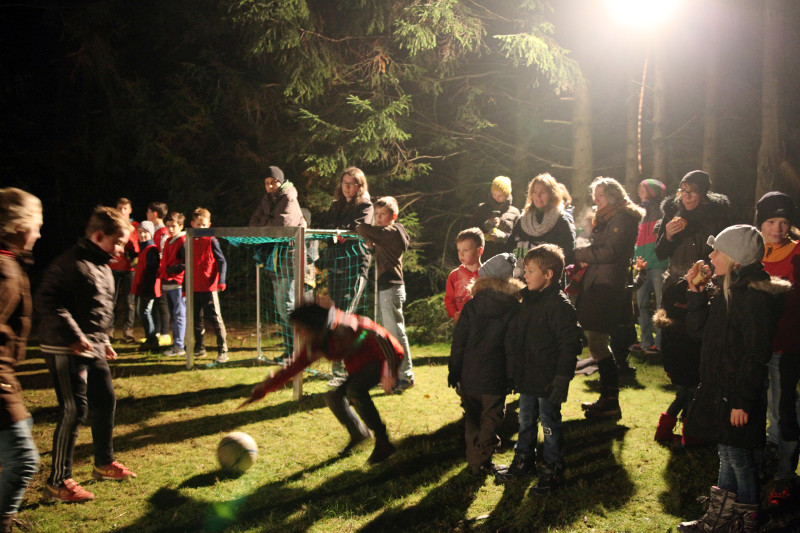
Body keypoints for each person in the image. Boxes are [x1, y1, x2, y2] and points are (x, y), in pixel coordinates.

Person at [678, 225, 789, 532]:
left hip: (737, 391)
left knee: (739, 456)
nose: (711, 256)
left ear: (735, 257)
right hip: (721, 386)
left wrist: (742, 401)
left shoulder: (752, 297)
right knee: (727, 451)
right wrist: (696, 292)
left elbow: (755, 353)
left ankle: (747, 518)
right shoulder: (730, 289)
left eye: (717, 251)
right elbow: (700, 332)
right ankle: (721, 518)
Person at [35, 206, 137, 503]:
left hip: (91, 345)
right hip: (64, 346)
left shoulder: (103, 265)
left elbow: (98, 309)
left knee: (105, 400)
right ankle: (57, 481)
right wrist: (74, 335)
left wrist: (102, 339)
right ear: (98, 235)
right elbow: (47, 301)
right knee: (74, 409)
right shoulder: (69, 262)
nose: (120, 249)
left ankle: (103, 463)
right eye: (117, 242)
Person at [246, 302, 403, 464]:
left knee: (355, 390)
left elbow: (380, 336)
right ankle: (358, 434)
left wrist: (389, 372)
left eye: (300, 328)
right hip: (360, 367)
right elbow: (294, 367)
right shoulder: (318, 342)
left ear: (314, 325)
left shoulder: (346, 325)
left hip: (385, 358)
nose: (298, 333)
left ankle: (384, 442)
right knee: (333, 396)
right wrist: (265, 387)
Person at [496, 245, 583, 492]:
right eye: (525, 270)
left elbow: (570, 345)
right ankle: (524, 461)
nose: (525, 275)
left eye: (530, 271)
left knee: (549, 423)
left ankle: (553, 468)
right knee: (525, 420)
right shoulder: (527, 302)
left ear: (549, 274)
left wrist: (561, 379)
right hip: (528, 377)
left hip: (547, 380)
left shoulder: (559, 306)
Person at [654, 171, 730, 443]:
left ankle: (687, 420)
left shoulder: (717, 217)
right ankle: (684, 418)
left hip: (703, 290)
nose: (686, 197)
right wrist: (669, 236)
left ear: (704, 194)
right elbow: (660, 253)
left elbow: (721, 255)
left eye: (692, 192)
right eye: (682, 191)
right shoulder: (672, 214)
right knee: (677, 351)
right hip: (674, 288)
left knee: (697, 350)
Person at [574, 177, 643, 419]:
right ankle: (608, 398)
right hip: (600, 283)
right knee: (597, 343)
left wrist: (579, 253)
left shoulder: (621, 218)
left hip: (606, 286)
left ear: (612, 196)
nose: (596, 200)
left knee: (598, 343)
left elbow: (609, 251)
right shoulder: (609, 218)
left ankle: (610, 400)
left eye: (600, 196)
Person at [448, 252, 522, 476]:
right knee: (490, 418)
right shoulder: (514, 308)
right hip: (495, 375)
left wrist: (454, 369)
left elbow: (459, 340)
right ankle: (482, 459)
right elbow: (512, 347)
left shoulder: (472, 306)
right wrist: (512, 375)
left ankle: (475, 460)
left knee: (472, 418)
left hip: (469, 374)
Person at [0, 188, 42, 531]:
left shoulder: (9, 261)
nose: (40, 234)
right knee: (25, 461)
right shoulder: (2, 268)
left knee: (24, 428)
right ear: (19, 225)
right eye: (37, 225)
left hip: (7, 375)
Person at [755, 192, 800, 505]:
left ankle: (785, 473)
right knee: (759, 407)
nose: (778, 227)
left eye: (784, 221)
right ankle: (764, 462)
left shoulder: (797, 253)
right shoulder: (752, 252)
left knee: (783, 409)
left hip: (786, 346)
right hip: (755, 347)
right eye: (771, 221)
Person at [318, 167, 374, 385]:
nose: (347, 187)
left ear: (360, 186)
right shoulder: (335, 205)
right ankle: (342, 365)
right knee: (335, 315)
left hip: (355, 265)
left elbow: (358, 228)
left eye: (352, 183)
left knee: (346, 317)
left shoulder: (365, 205)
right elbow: (327, 227)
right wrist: (336, 232)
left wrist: (341, 232)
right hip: (335, 263)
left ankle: (343, 369)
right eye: (344, 183)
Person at [356, 196, 415, 390]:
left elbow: (363, 228)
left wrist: (363, 227)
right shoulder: (387, 235)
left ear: (394, 216)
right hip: (387, 287)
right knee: (389, 334)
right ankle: (394, 375)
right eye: (377, 214)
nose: (379, 218)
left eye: (383, 214)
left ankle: (405, 376)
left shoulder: (391, 232)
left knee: (396, 333)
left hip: (391, 287)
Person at [248, 165, 304, 360]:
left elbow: (281, 226)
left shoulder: (289, 198)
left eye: (273, 182)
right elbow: (253, 222)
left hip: (288, 256)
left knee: (288, 306)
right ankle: (291, 349)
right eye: (266, 183)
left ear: (281, 182)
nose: (270, 186)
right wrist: (264, 226)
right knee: (281, 308)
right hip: (274, 257)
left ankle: (297, 350)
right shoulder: (267, 199)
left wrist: (264, 226)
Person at [509, 173, 575, 276]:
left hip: (549, 279)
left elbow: (568, 252)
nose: (538, 196)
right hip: (523, 277)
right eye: (535, 192)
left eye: (543, 192)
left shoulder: (561, 220)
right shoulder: (523, 219)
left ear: (552, 194)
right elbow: (510, 246)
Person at [632, 179, 668, 353]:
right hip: (642, 265)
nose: (639, 192)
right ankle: (646, 342)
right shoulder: (638, 212)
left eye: (642, 189)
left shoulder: (663, 212)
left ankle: (660, 343)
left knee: (661, 305)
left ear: (652, 191)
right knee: (641, 305)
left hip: (660, 263)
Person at [190, 208, 228, 364]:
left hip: (209, 286)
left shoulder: (212, 240)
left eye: (203, 225)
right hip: (194, 286)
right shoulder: (189, 241)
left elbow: (222, 261)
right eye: (198, 224)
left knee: (215, 318)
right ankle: (200, 347)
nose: (200, 228)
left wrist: (222, 280)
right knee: (196, 318)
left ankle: (223, 350)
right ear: (192, 224)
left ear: (209, 225)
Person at [108, 198, 139, 343]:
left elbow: (137, 248)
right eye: (119, 208)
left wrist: (130, 236)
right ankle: (109, 331)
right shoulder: (111, 226)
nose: (122, 211)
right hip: (113, 266)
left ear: (130, 210)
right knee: (110, 300)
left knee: (129, 301)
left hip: (130, 268)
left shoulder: (135, 226)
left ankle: (128, 332)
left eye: (125, 208)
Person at [469, 176, 519, 258]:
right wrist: (485, 226)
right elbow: (470, 231)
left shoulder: (514, 212)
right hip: (483, 255)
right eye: (494, 194)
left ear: (507, 195)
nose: (496, 198)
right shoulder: (482, 209)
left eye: (500, 195)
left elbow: (517, 237)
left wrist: (503, 237)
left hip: (504, 257)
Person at [159, 212, 187, 357]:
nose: (170, 229)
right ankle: (177, 342)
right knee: (174, 315)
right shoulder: (170, 240)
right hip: (168, 282)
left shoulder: (182, 241)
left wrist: (172, 269)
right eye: (168, 226)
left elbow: (186, 263)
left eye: (173, 226)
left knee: (179, 314)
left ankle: (179, 346)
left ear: (181, 226)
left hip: (177, 283)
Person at [131, 221, 161, 352]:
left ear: (151, 233)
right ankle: (151, 339)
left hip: (148, 288)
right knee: (143, 312)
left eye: (145, 232)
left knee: (144, 312)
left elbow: (152, 271)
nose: (142, 234)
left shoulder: (151, 250)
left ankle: (152, 340)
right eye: (140, 232)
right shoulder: (144, 249)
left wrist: (147, 288)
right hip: (144, 287)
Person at [444, 228, 484, 322]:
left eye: (465, 250)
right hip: (462, 323)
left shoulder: (487, 274)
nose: (461, 254)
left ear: (479, 251)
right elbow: (449, 299)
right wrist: (454, 313)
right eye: (459, 250)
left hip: (482, 323)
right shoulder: (454, 276)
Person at [146, 201, 170, 342]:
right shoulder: (154, 230)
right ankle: (156, 332)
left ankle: (165, 334)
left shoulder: (163, 232)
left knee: (162, 301)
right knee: (155, 301)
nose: (147, 215)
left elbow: (163, 252)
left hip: (160, 271)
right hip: (154, 270)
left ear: (154, 214)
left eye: (148, 212)